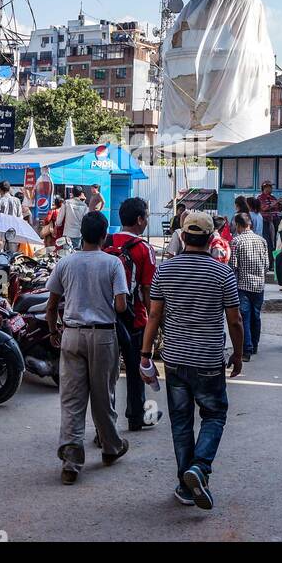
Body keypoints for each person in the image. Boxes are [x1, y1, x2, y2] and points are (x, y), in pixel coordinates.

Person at [141, 211, 244, 510]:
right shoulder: (223, 273)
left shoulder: (165, 271)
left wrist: (145, 355)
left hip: (174, 361)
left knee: (181, 422)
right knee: (214, 415)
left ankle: (186, 486)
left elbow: (154, 316)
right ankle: (199, 469)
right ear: (212, 239)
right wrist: (237, 355)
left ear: (183, 237)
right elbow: (235, 321)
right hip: (209, 360)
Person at [46, 211, 130, 484]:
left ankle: (71, 462)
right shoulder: (113, 263)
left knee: (72, 399)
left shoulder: (66, 262)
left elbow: (51, 305)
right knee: (103, 396)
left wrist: (53, 330)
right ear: (104, 235)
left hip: (71, 334)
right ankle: (110, 448)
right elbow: (121, 306)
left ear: (81, 233)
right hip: (103, 336)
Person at [105, 198, 160, 433]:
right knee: (137, 369)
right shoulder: (143, 248)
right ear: (139, 219)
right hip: (135, 319)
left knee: (107, 375)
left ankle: (106, 423)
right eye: (146, 217)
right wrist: (155, 324)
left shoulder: (105, 241)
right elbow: (149, 290)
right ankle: (136, 416)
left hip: (106, 318)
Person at [228, 212, 267, 362]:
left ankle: (247, 349)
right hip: (259, 285)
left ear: (238, 225)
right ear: (250, 224)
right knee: (256, 316)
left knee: (244, 317)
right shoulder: (262, 241)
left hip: (243, 285)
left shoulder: (236, 241)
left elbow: (233, 267)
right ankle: (254, 345)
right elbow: (267, 265)